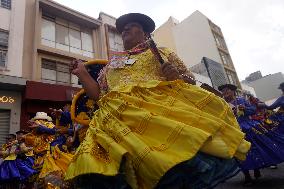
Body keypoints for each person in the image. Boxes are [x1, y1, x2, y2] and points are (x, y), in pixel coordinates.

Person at [66, 13, 250, 189]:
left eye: (132, 26)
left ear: (145, 33)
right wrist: (82, 73)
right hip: (116, 123)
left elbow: (189, 79)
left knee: (176, 166)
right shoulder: (112, 64)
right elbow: (99, 95)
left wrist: (176, 75)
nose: (125, 30)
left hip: (159, 117)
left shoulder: (160, 52)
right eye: (123, 29)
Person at [218, 83, 284, 186]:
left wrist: (245, 109)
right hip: (235, 130)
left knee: (254, 149)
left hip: (248, 127)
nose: (225, 92)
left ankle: (256, 168)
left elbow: (253, 110)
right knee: (240, 153)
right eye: (223, 91)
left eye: (227, 90)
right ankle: (247, 177)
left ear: (233, 91)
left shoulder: (241, 100)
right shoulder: (222, 104)